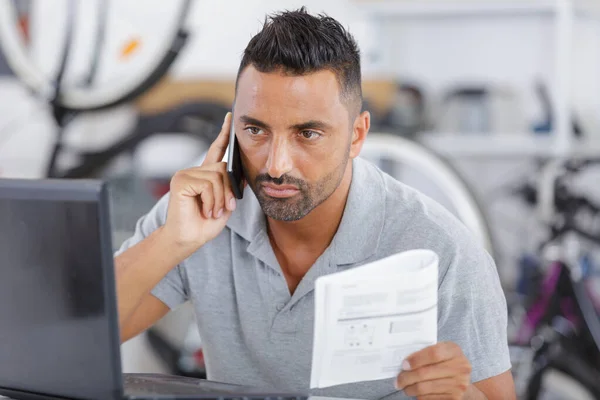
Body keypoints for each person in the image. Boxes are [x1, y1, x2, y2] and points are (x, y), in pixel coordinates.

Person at [115, 7, 516, 400]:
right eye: (255, 130)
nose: (275, 166)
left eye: (307, 134)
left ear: (357, 135)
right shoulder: (199, 209)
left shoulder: (443, 248)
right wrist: (173, 239)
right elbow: (93, 331)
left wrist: (460, 396)